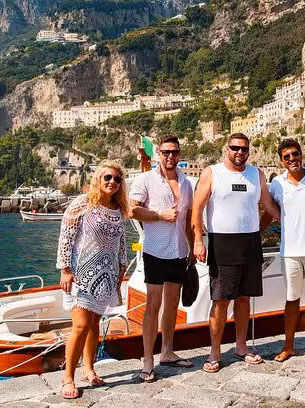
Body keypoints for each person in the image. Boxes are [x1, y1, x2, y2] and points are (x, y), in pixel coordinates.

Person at [192, 133, 279, 373]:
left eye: (244, 149)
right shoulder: (212, 172)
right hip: (222, 243)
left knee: (243, 300)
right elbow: (197, 209)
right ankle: (215, 352)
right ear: (226, 149)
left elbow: (269, 206)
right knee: (220, 301)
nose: (240, 152)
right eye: (235, 148)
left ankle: (241, 347)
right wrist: (198, 241)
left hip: (250, 242)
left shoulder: (255, 175)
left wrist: (291, 223)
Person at [56, 161, 129, 399]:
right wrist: (65, 269)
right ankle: (68, 377)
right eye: (108, 177)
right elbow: (66, 236)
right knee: (79, 326)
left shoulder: (118, 208)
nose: (112, 182)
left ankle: (89, 368)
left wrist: (121, 270)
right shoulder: (83, 203)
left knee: (95, 323)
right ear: (99, 178)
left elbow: (121, 243)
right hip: (81, 272)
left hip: (106, 275)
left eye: (117, 179)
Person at [260, 138, 305, 364]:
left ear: (301, 154)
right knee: (291, 299)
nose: (292, 159)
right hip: (290, 251)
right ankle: (288, 345)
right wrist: (255, 236)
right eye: (287, 156)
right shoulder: (277, 184)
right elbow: (268, 212)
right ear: (281, 161)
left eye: (295, 154)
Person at [129, 135, 195, 383]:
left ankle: (167, 352)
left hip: (179, 252)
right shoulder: (145, 180)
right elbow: (131, 209)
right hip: (155, 251)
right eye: (166, 152)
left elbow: (187, 220)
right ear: (158, 153)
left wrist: (191, 247)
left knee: (172, 305)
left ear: (179, 154)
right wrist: (159, 215)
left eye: (175, 152)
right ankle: (147, 360)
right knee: (152, 306)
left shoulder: (186, 183)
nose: (170, 157)